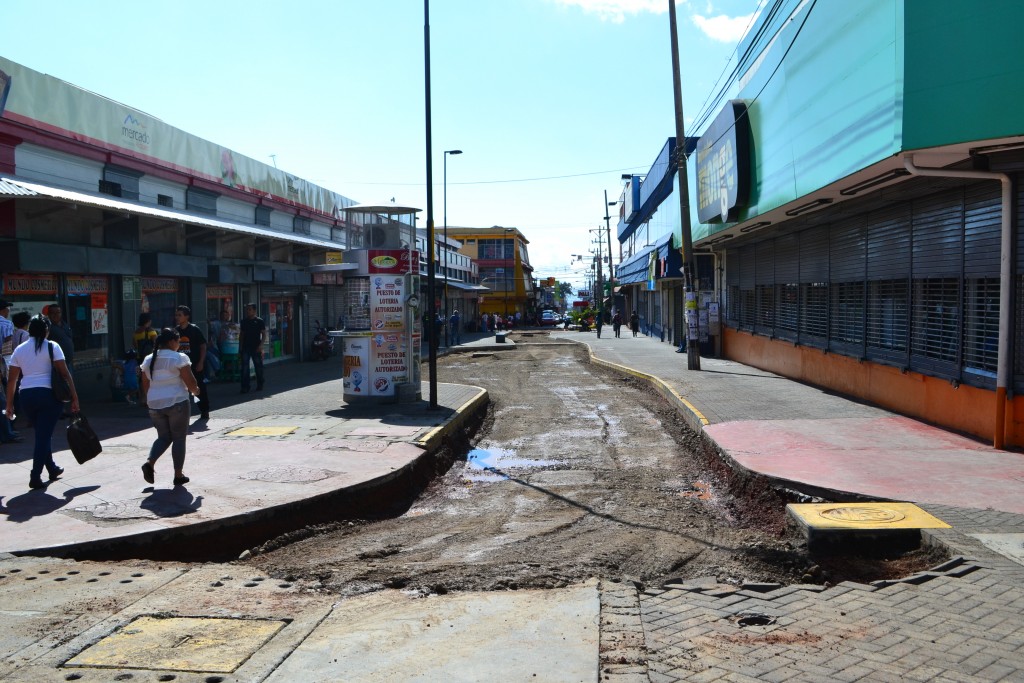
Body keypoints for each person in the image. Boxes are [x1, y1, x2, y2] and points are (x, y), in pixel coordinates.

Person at [5, 315, 79, 489]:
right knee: (43, 436)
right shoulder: (53, 347)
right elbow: (65, 374)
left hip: (26, 397)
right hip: (49, 396)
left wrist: (9, 404)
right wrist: (74, 397)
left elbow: (12, 380)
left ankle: (51, 468)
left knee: (42, 433)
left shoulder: (20, 350)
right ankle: (35, 476)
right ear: (47, 330)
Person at [140, 327, 201, 487]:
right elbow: (190, 382)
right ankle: (178, 475)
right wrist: (196, 391)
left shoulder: (148, 360)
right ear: (171, 341)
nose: (179, 345)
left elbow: (145, 384)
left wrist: (149, 401)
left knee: (163, 437)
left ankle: (150, 463)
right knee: (179, 438)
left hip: (155, 404)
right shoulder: (178, 358)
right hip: (177, 402)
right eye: (178, 341)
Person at [173, 305, 209, 420]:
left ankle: (204, 410)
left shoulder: (194, 329)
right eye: (176, 315)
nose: (177, 317)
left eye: (180, 315)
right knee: (180, 389)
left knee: (199, 388)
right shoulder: (176, 331)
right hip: (180, 366)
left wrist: (201, 362)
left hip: (195, 364)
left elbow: (203, 346)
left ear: (187, 316)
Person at [238, 303, 266, 393]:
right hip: (246, 347)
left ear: (254, 311)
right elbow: (242, 335)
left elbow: (264, 334)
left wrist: (261, 345)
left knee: (258, 366)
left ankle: (260, 383)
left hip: (256, 347)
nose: (248, 311)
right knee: (245, 368)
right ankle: (245, 387)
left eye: (250, 309)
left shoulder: (259, 321)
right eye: (247, 309)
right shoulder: (244, 321)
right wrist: (240, 347)